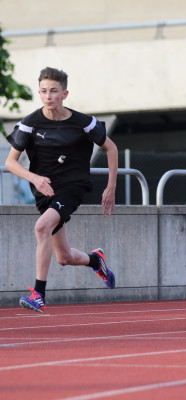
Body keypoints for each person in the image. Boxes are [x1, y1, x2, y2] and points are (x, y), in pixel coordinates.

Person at [5, 67, 119, 313]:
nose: (48, 96)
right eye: (44, 91)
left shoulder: (83, 123)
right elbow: (10, 163)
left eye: (54, 91)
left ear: (64, 94)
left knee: (41, 227)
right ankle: (95, 260)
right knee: (64, 257)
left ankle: (38, 295)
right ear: (39, 93)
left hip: (73, 186)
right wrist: (35, 178)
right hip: (45, 191)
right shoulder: (30, 124)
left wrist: (111, 187)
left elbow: (111, 148)